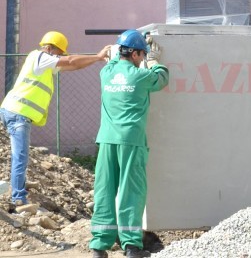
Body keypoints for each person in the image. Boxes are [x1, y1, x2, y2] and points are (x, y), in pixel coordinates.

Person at [0, 31, 110, 206]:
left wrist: (96, 59)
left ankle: (18, 187)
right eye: (60, 53)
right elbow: (71, 61)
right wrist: (97, 56)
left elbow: (74, 65)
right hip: (17, 113)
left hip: (16, 112)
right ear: (50, 48)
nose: (61, 57)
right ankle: (18, 198)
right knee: (20, 156)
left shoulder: (45, 64)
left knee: (20, 156)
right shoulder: (39, 57)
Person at [89, 30, 169, 258]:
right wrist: (154, 60)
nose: (142, 58)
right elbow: (162, 78)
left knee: (104, 190)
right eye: (141, 54)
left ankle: (99, 246)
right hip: (131, 141)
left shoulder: (106, 73)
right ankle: (132, 246)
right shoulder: (141, 76)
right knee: (130, 192)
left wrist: (119, 48)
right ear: (134, 53)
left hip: (106, 140)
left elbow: (113, 59)